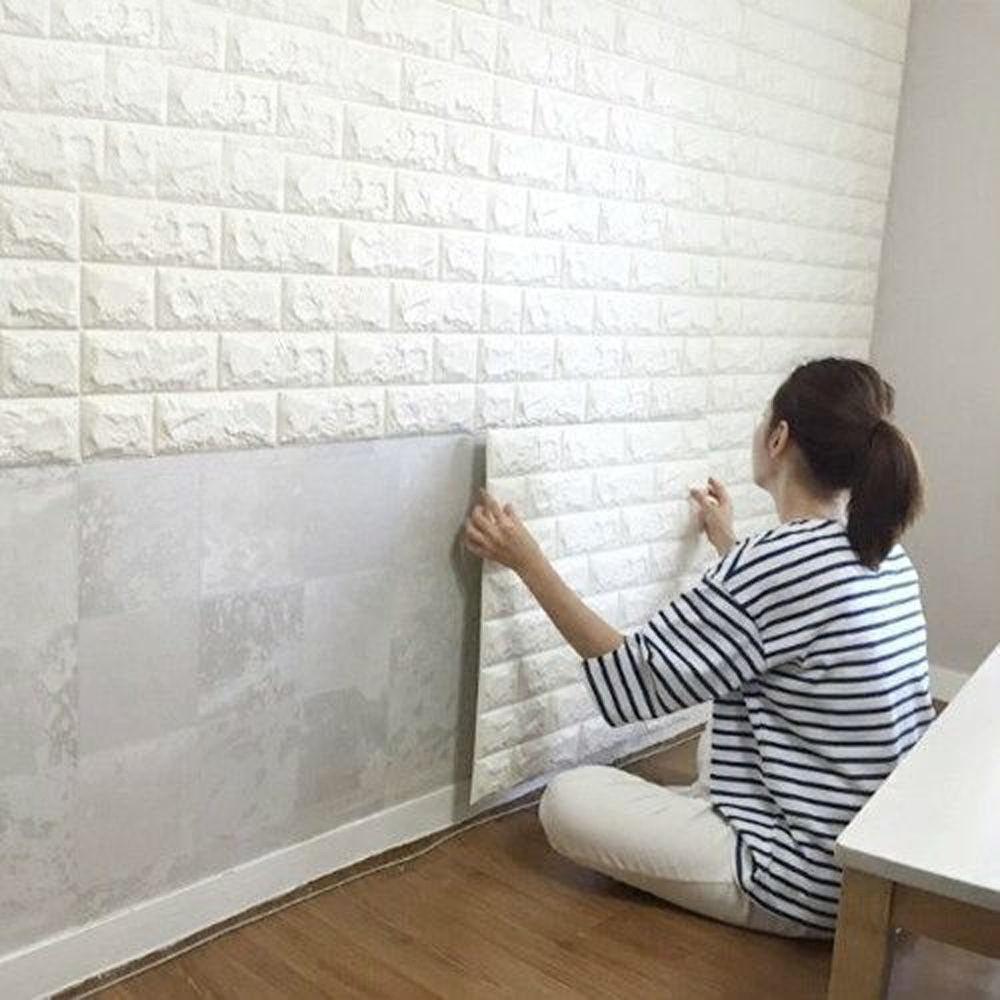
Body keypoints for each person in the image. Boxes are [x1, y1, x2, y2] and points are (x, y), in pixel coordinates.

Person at [462, 357, 932, 938]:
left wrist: (526, 559)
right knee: (726, 716)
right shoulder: (882, 553)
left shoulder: (772, 564)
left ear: (779, 438)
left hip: (802, 880)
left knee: (566, 798)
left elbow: (634, 674)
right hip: (872, 871)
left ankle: (717, 833)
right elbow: (783, 622)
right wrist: (728, 543)